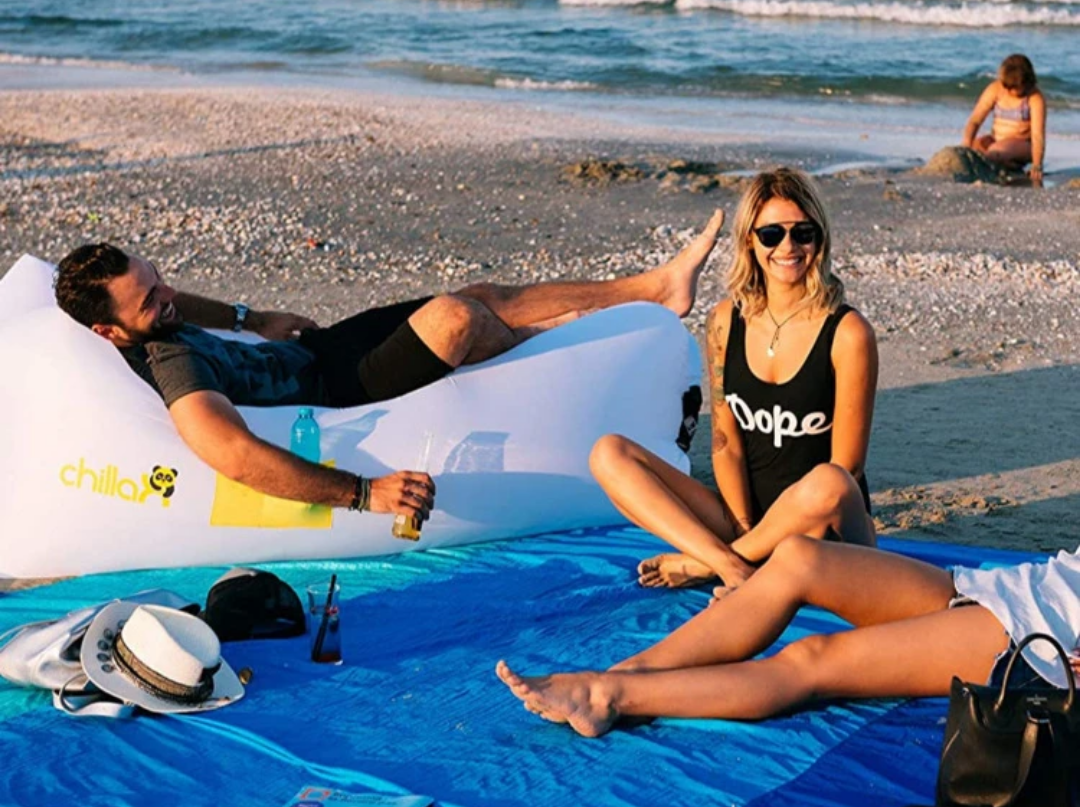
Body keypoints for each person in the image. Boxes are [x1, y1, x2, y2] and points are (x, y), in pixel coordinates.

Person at [53, 212, 724, 523]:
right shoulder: (174, 371)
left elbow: (174, 302)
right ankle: (563, 346)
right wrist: (363, 493)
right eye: (150, 300)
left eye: (157, 280)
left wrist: (249, 318)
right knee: (457, 321)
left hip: (315, 351)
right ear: (111, 330)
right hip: (336, 391)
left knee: (475, 298)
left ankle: (653, 289)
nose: (167, 297)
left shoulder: (153, 315)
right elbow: (230, 454)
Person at [588, 168, 877, 591]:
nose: (788, 247)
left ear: (821, 238)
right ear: (749, 241)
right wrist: (743, 530)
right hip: (745, 519)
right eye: (772, 234)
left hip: (825, 529)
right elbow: (726, 444)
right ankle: (736, 564)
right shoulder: (724, 322)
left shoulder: (848, 333)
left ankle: (709, 565)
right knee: (608, 454)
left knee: (828, 481)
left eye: (803, 233)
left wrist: (716, 557)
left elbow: (847, 469)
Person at [495, 536, 1080, 738]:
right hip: (1026, 587)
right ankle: (632, 669)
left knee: (812, 661)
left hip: (1034, 640)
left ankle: (606, 698)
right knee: (799, 559)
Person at [962, 54, 1046, 187]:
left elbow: (1037, 136)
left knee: (995, 152)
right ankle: (1007, 165)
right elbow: (975, 121)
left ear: (1027, 82)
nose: (1011, 91)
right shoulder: (996, 89)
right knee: (975, 149)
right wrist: (966, 147)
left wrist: (1037, 165)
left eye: (1015, 88)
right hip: (996, 140)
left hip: (1022, 145)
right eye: (1008, 87)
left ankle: (1004, 163)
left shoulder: (1034, 98)